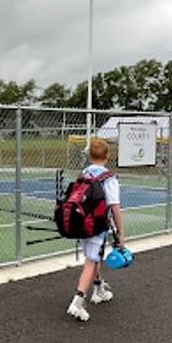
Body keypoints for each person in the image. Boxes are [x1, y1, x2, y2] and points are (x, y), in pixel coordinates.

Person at [66, 137, 126, 322]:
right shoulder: (109, 178)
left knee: (95, 255)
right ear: (108, 155)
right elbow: (114, 206)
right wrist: (121, 233)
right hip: (98, 224)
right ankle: (78, 300)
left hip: (82, 222)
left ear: (90, 155)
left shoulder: (83, 174)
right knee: (91, 261)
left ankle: (98, 288)